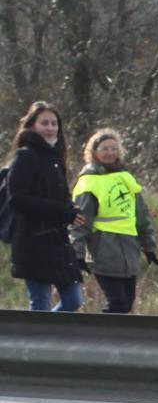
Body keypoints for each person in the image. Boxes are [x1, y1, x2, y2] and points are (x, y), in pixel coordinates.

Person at [70, 129, 158, 313]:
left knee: (127, 304)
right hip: (103, 249)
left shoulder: (126, 178)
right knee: (117, 304)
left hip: (129, 250)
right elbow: (80, 221)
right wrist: (78, 253)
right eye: (105, 148)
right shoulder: (89, 182)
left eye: (114, 148)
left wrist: (149, 247)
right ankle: (100, 339)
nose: (110, 152)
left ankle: (114, 340)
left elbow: (141, 217)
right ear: (94, 152)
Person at [5, 101, 84, 312]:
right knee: (40, 305)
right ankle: (35, 343)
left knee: (74, 299)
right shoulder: (25, 156)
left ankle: (46, 338)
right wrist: (60, 210)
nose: (50, 128)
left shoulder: (55, 158)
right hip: (32, 241)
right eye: (44, 123)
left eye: (54, 123)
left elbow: (59, 196)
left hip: (57, 241)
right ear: (32, 126)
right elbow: (17, 199)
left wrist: (70, 210)